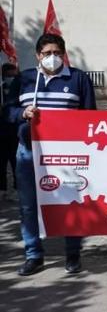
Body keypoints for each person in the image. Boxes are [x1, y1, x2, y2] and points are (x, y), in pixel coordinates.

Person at [4, 33, 96, 276]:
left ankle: (73, 254)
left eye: (56, 53)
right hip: (29, 153)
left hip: (68, 156)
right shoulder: (24, 80)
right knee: (28, 207)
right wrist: (22, 114)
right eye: (47, 54)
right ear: (38, 56)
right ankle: (34, 255)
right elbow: (8, 112)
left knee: (71, 204)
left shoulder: (78, 78)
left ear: (64, 55)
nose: (52, 58)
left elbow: (91, 117)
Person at [1, 63, 19, 200]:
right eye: (8, 76)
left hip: (15, 132)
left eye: (13, 76)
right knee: (1, 162)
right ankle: (2, 189)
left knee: (16, 162)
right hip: (1, 131)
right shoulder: (1, 88)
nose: (11, 78)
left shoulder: (19, 89)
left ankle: (17, 188)